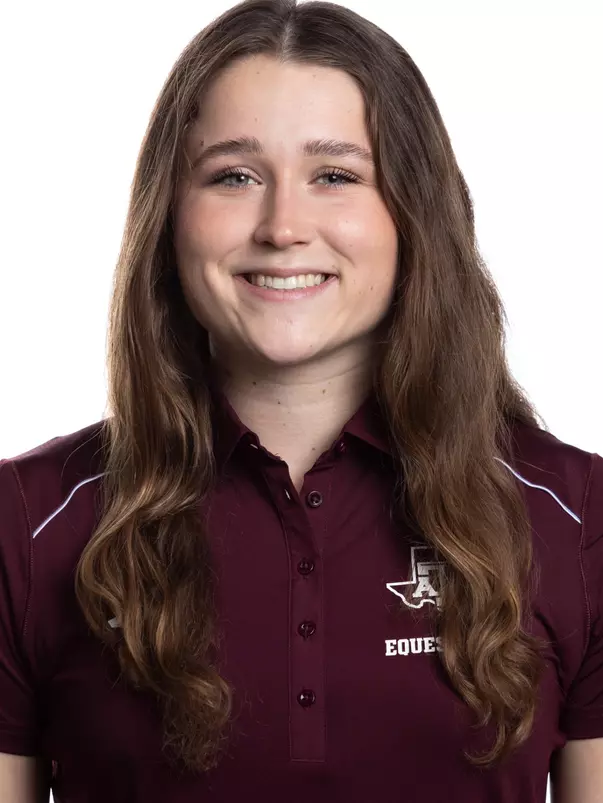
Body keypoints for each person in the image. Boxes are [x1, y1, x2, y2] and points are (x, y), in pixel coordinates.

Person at [0, 0, 601, 800]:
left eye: (335, 176)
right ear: (168, 217)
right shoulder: (27, 521)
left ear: (413, 213)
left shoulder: (577, 516)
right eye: (234, 176)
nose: (283, 226)